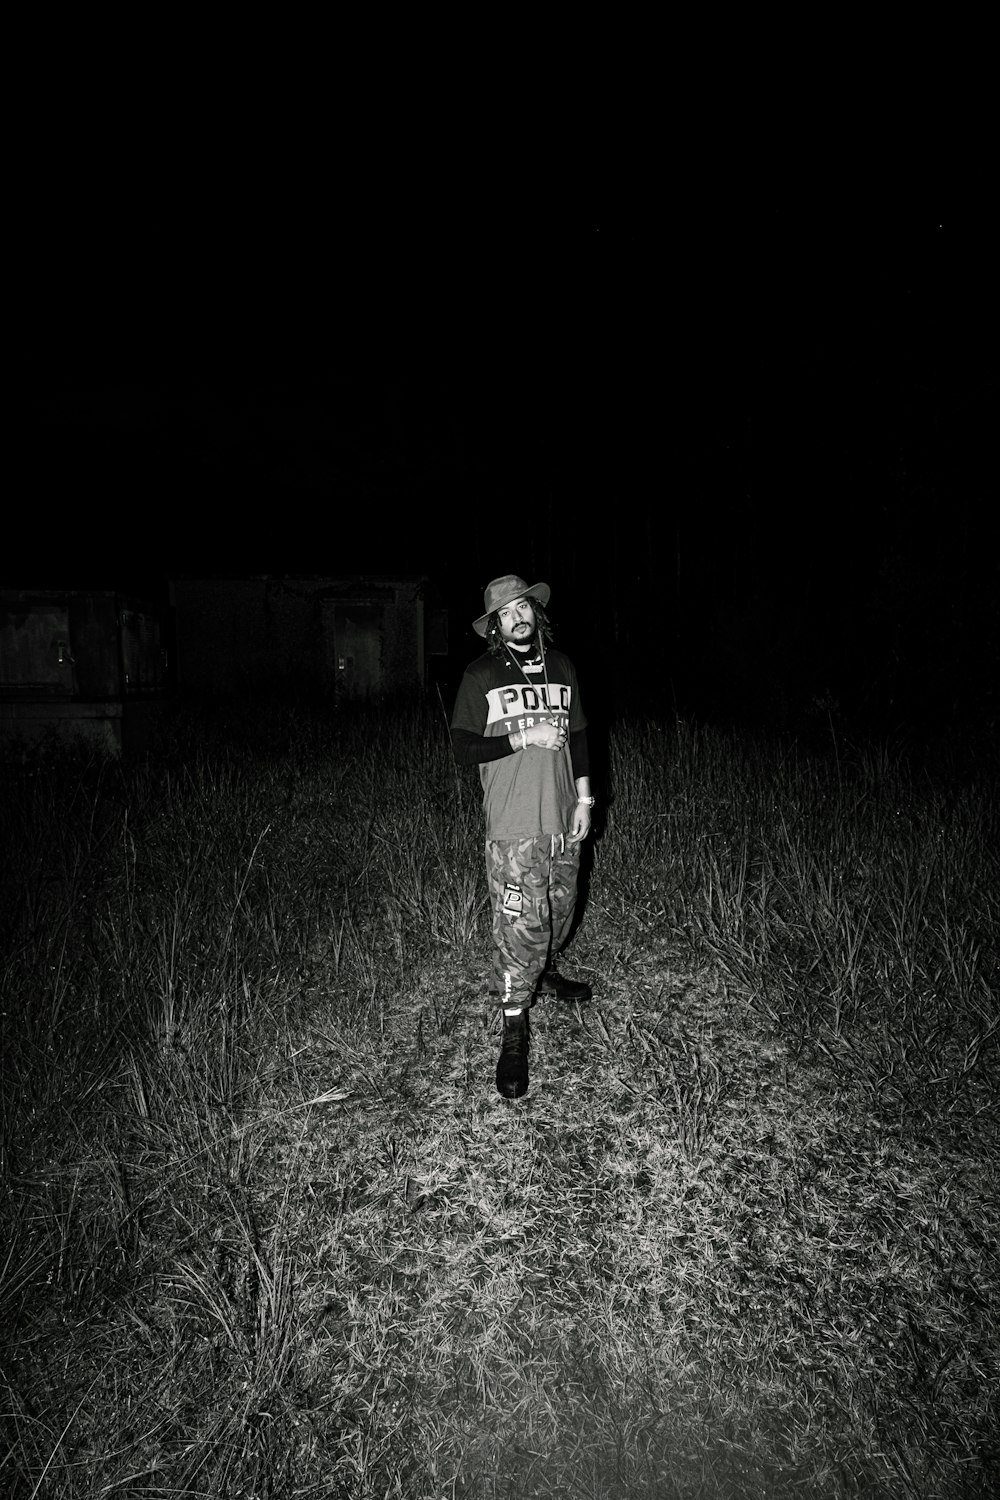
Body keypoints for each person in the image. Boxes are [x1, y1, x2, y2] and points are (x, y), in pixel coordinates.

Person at [450, 574, 595, 1099]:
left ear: (535, 611)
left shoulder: (562, 667)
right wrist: (522, 736)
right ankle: (514, 1032)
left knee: (560, 910)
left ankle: (545, 972)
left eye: (523, 606)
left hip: (562, 820)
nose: (517, 616)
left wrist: (585, 799)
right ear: (494, 625)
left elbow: (578, 735)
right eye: (505, 611)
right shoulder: (481, 674)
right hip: (513, 826)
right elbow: (463, 746)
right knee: (519, 931)